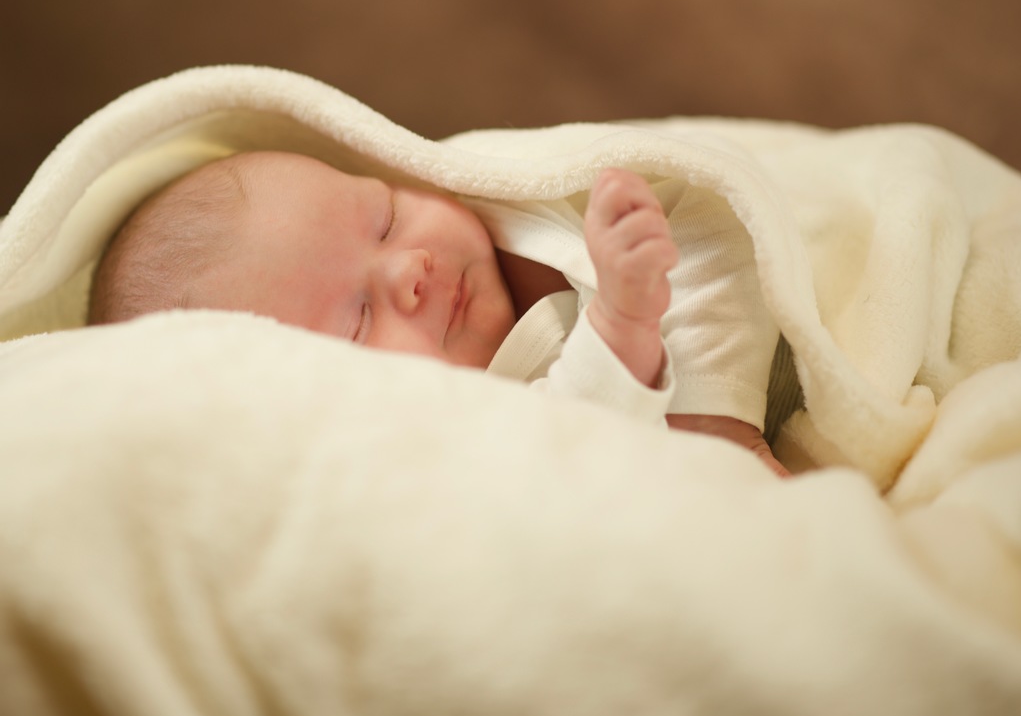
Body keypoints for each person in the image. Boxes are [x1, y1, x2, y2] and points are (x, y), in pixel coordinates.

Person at [88, 151, 790, 476]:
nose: (410, 272)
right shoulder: (450, 443)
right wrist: (616, 330)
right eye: (358, 321)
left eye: (385, 217)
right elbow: (556, 453)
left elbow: (718, 193)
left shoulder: (531, 210)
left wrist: (707, 408)